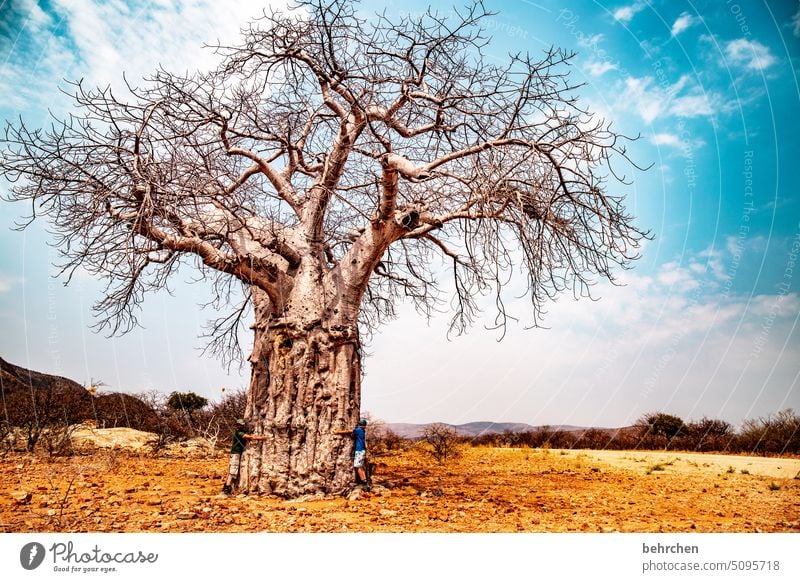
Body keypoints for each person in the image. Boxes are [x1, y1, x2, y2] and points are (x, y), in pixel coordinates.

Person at [222, 419, 268, 495]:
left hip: (235, 454)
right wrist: (263, 438)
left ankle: (226, 486)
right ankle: (227, 488)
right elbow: (250, 437)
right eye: (239, 425)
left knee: (231, 470)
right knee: (233, 471)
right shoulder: (239, 433)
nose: (240, 426)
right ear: (237, 425)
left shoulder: (241, 432)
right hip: (235, 454)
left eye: (241, 425)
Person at [334, 418, 370, 491]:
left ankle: (365, 484)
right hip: (361, 450)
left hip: (359, 451)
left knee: (357, 466)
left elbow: (348, 431)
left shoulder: (359, 430)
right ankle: (365, 482)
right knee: (360, 467)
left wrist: (338, 432)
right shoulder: (362, 430)